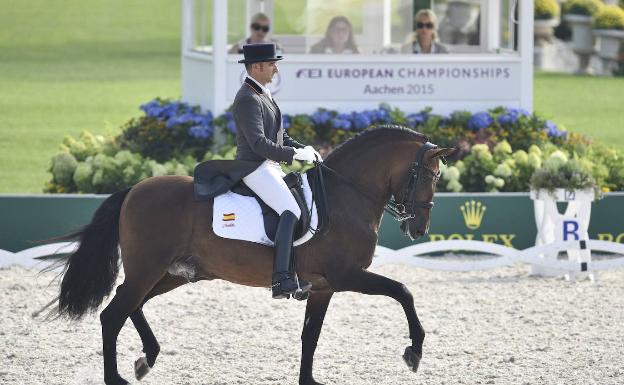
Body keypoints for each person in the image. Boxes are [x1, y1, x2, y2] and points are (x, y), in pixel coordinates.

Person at [232, 43, 321, 299]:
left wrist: (304, 149)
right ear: (257, 66)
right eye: (272, 64)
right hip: (255, 166)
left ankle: (297, 271)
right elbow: (259, 144)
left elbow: (280, 137)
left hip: (269, 165)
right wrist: (293, 155)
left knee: (303, 205)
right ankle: (281, 279)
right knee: (290, 210)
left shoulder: (263, 94)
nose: (275, 69)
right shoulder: (247, 98)